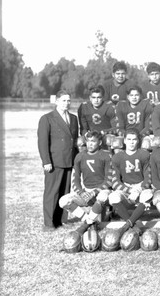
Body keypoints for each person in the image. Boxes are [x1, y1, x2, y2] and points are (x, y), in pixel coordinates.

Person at [37, 90, 79, 231]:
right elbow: (43, 142)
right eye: (63, 100)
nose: (66, 103)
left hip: (69, 159)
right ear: (56, 102)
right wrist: (46, 161)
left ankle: (61, 219)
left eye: (68, 101)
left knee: (65, 192)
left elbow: (74, 141)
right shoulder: (47, 118)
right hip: (54, 161)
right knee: (52, 192)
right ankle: (49, 223)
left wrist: (77, 160)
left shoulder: (73, 118)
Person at [58, 130, 112, 234]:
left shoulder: (106, 156)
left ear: (100, 143)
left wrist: (94, 192)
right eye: (88, 141)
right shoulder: (79, 156)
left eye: (93, 141)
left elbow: (109, 181)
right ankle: (89, 220)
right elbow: (75, 180)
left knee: (102, 197)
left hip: (101, 191)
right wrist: (82, 192)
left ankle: (85, 225)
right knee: (63, 201)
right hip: (86, 192)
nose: (90, 144)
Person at [109, 128, 152, 234]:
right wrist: (128, 190)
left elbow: (149, 177)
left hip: (140, 186)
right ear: (124, 141)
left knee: (148, 195)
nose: (131, 142)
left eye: (134, 139)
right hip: (126, 187)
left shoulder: (144, 155)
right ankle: (134, 224)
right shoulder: (117, 157)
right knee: (113, 197)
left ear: (138, 141)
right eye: (129, 139)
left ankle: (127, 225)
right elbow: (115, 181)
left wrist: (139, 189)